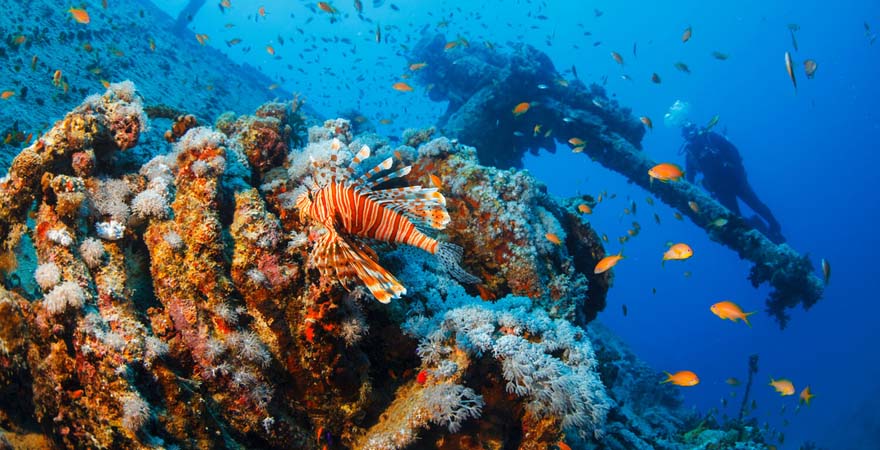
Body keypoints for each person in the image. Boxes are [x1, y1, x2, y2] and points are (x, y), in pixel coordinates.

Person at [680, 122, 785, 244]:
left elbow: (733, 151)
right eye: (688, 133)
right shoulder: (690, 154)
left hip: (736, 180)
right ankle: (756, 230)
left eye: (692, 130)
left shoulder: (710, 137)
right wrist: (691, 196)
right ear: (685, 137)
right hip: (720, 189)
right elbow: (690, 178)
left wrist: (740, 173)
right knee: (735, 218)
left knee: (757, 205)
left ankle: (775, 227)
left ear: (696, 129)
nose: (691, 134)